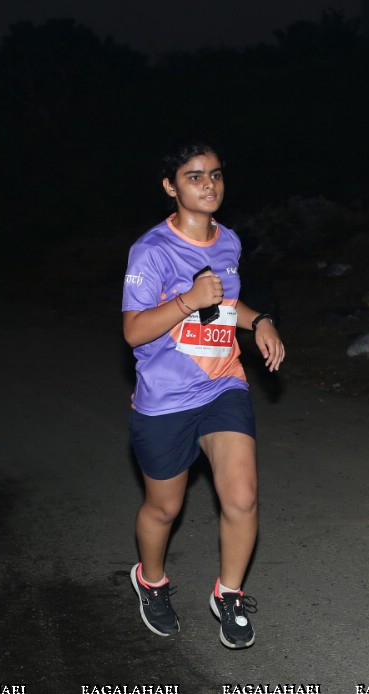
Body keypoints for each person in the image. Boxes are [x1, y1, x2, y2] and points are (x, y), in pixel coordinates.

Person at [121, 140, 285, 649]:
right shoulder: (151, 251)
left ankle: (228, 594)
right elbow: (133, 331)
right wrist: (187, 300)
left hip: (221, 384)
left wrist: (258, 320)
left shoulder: (229, 241)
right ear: (171, 187)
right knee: (163, 509)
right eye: (194, 177)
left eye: (215, 174)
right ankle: (151, 581)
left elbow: (225, 306)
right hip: (166, 398)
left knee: (242, 496)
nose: (209, 184)